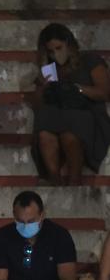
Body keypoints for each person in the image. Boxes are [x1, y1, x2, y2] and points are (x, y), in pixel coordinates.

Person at [31, 22, 110, 185]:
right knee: (44, 133)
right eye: (51, 51)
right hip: (56, 114)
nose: (55, 54)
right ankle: (54, 178)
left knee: (70, 136)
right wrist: (42, 87)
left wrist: (77, 89)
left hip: (86, 114)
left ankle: (75, 179)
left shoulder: (90, 60)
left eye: (59, 48)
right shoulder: (49, 69)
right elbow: (37, 104)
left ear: (69, 43)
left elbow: (103, 92)